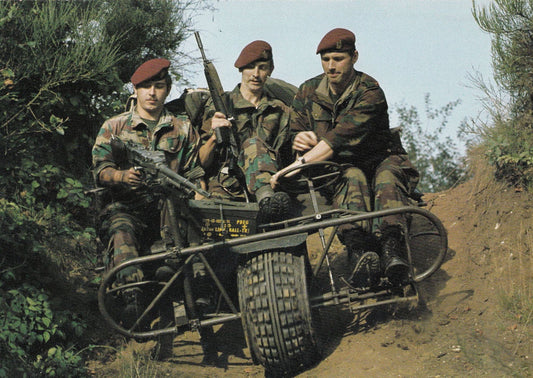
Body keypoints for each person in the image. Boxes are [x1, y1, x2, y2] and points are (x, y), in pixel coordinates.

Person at [271, 28, 419, 288]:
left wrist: (294, 167)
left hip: (380, 159)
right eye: (326, 60)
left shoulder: (370, 91)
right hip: (341, 169)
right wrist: (299, 143)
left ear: (354, 57)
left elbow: (336, 140)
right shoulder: (308, 91)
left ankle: (392, 248)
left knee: (386, 177)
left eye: (338, 59)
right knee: (352, 177)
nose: (331, 66)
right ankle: (360, 252)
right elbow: (296, 133)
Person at [92, 58, 204, 325]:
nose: (152, 93)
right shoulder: (114, 127)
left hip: (170, 207)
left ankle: (192, 290)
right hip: (126, 206)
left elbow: (193, 171)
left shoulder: (182, 128)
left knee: (189, 223)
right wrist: (122, 176)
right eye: (146, 87)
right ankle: (133, 299)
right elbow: (100, 169)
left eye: (159, 86)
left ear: (168, 90)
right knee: (120, 229)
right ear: (135, 91)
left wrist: (198, 193)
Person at [198, 40, 292, 224]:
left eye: (262, 67)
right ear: (241, 69)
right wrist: (213, 137)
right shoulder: (220, 105)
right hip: (226, 185)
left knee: (253, 145)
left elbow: (287, 154)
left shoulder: (280, 110)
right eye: (250, 67)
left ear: (270, 70)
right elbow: (201, 161)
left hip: (272, 185)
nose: (256, 74)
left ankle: (266, 201)